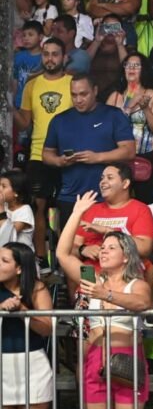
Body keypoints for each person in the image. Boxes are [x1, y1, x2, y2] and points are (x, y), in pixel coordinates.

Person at [56, 191, 152, 409]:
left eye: (111, 248)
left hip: (128, 359)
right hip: (95, 358)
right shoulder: (91, 277)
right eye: (103, 247)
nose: (103, 251)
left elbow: (142, 302)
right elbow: (63, 255)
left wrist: (106, 294)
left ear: (126, 255)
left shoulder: (136, 283)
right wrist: (77, 214)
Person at [42, 73, 135, 226]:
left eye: (83, 94)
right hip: (70, 196)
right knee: (70, 246)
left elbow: (129, 150)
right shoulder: (59, 120)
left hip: (106, 197)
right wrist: (59, 161)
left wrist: (97, 157)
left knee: (107, 246)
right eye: (74, 95)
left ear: (95, 91)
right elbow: (46, 154)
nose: (78, 100)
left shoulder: (113, 115)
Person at [12, 37, 72, 268]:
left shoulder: (72, 83)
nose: (49, 58)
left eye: (55, 54)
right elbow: (25, 123)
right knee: (39, 206)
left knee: (65, 208)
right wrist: (10, 106)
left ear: (63, 57)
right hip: (37, 154)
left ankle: (63, 257)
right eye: (45, 54)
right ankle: (41, 260)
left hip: (67, 155)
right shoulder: (32, 85)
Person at [71, 163, 153, 293]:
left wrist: (107, 230)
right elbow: (70, 250)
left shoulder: (141, 209)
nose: (103, 182)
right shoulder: (91, 210)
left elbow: (144, 249)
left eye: (109, 178)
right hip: (90, 273)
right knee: (86, 298)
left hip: (124, 277)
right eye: (102, 178)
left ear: (125, 183)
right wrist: (83, 249)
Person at [0, 242, 53, 409]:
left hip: (33, 367)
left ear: (20, 268)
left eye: (4, 261)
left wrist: (23, 311)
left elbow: (47, 327)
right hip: (3, 367)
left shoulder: (36, 288)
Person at [105, 52, 153, 203]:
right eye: (128, 65)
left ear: (143, 69)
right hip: (120, 157)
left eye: (136, 65)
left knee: (146, 201)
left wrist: (146, 109)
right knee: (119, 201)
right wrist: (129, 106)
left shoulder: (152, 95)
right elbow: (104, 128)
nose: (131, 68)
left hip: (146, 156)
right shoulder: (115, 97)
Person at [85, 13, 129, 98]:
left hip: (115, 96)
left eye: (114, 27)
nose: (111, 31)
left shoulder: (126, 49)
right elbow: (83, 63)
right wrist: (97, 41)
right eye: (107, 27)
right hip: (91, 94)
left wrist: (120, 44)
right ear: (101, 28)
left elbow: (128, 68)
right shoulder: (90, 45)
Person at [11, 20, 43, 109]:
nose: (26, 38)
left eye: (30, 35)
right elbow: (15, 80)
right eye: (24, 35)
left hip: (38, 103)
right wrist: (13, 101)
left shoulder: (46, 56)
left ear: (40, 37)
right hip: (19, 103)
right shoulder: (18, 56)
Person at [0, 170, 34, 250]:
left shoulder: (25, 211)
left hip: (19, 258)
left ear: (16, 192)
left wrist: (1, 209)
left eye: (3, 186)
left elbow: (7, 235)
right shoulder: (4, 206)